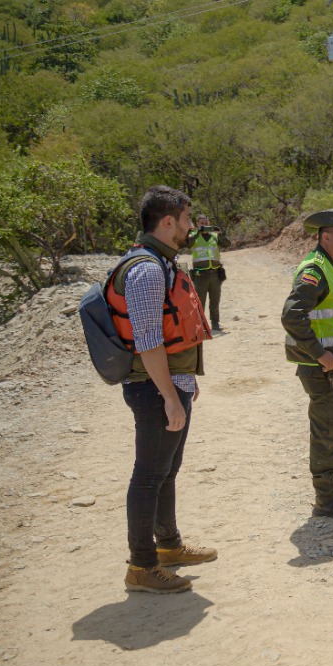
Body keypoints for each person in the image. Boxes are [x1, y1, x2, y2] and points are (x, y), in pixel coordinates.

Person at [106, 185, 217, 594]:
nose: (191, 228)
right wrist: (170, 395)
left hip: (169, 384)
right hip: (154, 390)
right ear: (167, 221)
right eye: (187, 220)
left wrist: (183, 384)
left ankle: (168, 546)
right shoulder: (148, 269)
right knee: (149, 476)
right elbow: (149, 340)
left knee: (166, 470)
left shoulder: (161, 262)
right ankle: (142, 566)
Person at [281, 209, 333, 520]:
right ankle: (326, 498)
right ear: (325, 237)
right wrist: (320, 354)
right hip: (323, 369)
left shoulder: (332, 267)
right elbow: (292, 316)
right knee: (330, 429)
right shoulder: (314, 270)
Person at [188, 214, 229, 332]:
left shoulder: (215, 235)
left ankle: (215, 323)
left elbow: (227, 244)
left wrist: (220, 233)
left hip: (215, 274)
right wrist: (197, 233)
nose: (205, 225)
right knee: (199, 302)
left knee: (215, 300)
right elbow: (187, 244)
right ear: (197, 224)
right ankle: (199, 325)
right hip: (200, 276)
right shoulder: (193, 236)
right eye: (202, 223)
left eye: (206, 223)